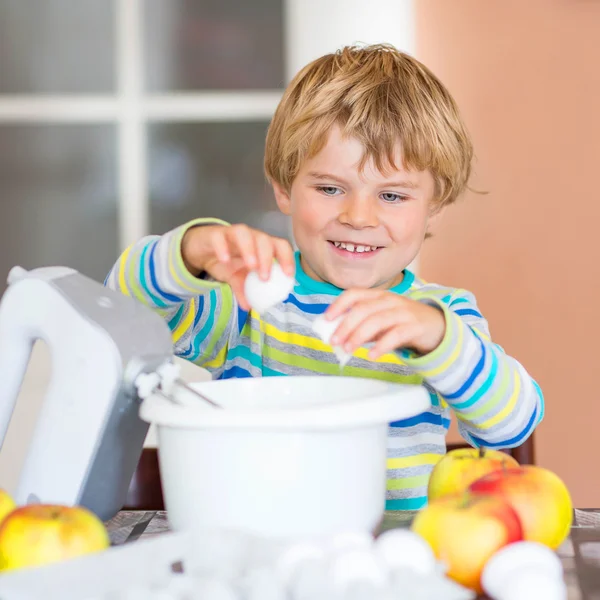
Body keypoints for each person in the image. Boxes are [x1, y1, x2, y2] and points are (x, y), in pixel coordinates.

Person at [105, 44, 544, 511]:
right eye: (331, 188)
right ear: (283, 188)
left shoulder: (441, 319)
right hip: (263, 552)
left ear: (433, 206)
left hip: (388, 567)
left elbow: (512, 424)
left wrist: (437, 339)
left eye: (392, 196)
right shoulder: (244, 302)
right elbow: (125, 308)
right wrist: (190, 252)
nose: (358, 216)